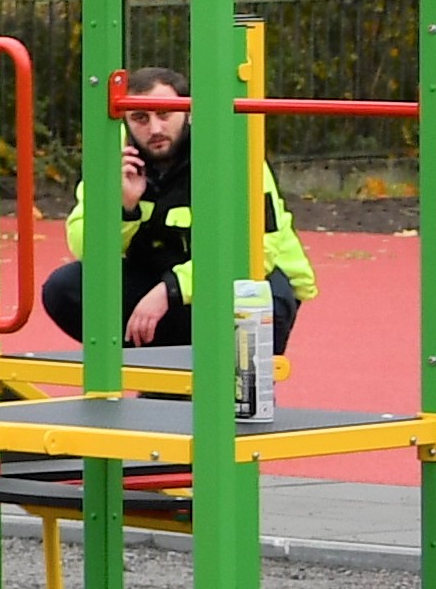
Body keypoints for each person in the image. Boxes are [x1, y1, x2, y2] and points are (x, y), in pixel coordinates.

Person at [38, 105, 318, 405]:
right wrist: (124, 208)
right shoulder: (114, 151)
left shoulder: (233, 149)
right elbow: (84, 247)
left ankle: (239, 391)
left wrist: (171, 289)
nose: (155, 129)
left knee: (260, 293)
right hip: (160, 281)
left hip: (231, 288)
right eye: (140, 118)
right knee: (67, 288)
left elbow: (255, 253)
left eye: (165, 114)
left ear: (188, 112)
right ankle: (162, 376)